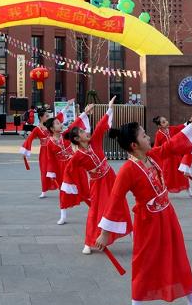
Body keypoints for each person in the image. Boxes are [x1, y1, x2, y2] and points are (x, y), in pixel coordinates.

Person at [96, 115, 192, 305]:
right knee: (143, 266)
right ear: (134, 145)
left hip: (168, 217)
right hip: (147, 224)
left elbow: (172, 146)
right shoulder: (128, 170)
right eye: (145, 136)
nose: (149, 138)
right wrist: (104, 233)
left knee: (180, 260)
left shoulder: (153, 156)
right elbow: (114, 200)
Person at [62, 97, 128, 255]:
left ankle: (124, 230)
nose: (87, 132)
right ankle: (88, 241)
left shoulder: (95, 141)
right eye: (83, 132)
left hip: (110, 177)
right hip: (97, 183)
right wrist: (71, 187)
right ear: (77, 139)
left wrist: (110, 108)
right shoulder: (77, 156)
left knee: (118, 204)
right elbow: (68, 171)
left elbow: (100, 126)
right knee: (95, 212)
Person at [46, 102, 91, 225]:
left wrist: (85, 113)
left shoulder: (66, 135)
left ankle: (95, 209)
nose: (60, 125)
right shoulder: (49, 143)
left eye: (60, 123)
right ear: (51, 128)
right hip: (62, 169)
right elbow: (50, 159)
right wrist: (52, 173)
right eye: (57, 123)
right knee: (63, 192)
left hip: (75, 165)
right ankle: (63, 216)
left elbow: (75, 124)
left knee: (85, 189)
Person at [20, 107, 62, 198]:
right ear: (41, 117)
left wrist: (67, 107)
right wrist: (25, 151)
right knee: (44, 171)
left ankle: (62, 188)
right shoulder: (37, 129)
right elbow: (29, 139)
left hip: (53, 150)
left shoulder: (50, 126)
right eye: (46, 116)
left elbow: (58, 118)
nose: (48, 117)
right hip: (44, 152)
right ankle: (44, 191)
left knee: (57, 169)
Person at [153, 114, 191, 196]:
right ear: (159, 126)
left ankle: (187, 188)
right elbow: (156, 146)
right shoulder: (158, 134)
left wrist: (189, 122)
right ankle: (164, 190)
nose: (166, 122)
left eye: (166, 120)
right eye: (163, 122)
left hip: (176, 156)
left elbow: (180, 128)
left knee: (182, 172)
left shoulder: (171, 129)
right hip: (167, 158)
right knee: (167, 175)